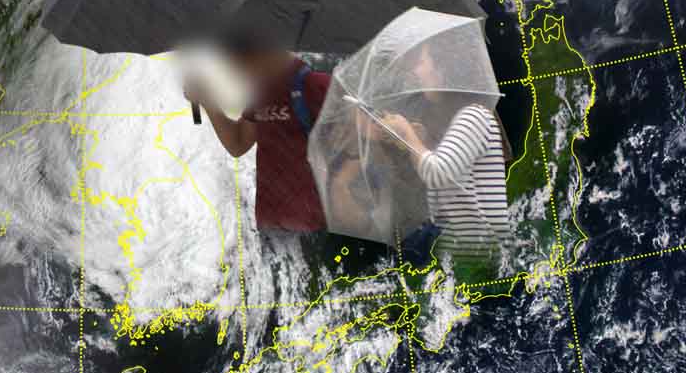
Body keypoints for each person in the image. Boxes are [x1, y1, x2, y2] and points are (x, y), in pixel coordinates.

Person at [361, 45, 511, 267]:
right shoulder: (440, 106)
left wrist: (408, 134)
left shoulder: (474, 113)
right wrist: (418, 139)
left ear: (444, 72)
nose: (417, 73)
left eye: (422, 63)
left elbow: (438, 173)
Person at [184, 48, 331, 233]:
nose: (239, 77)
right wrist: (207, 101)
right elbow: (238, 143)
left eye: (240, 68)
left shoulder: (318, 86)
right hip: (272, 225)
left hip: (314, 227)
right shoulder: (263, 95)